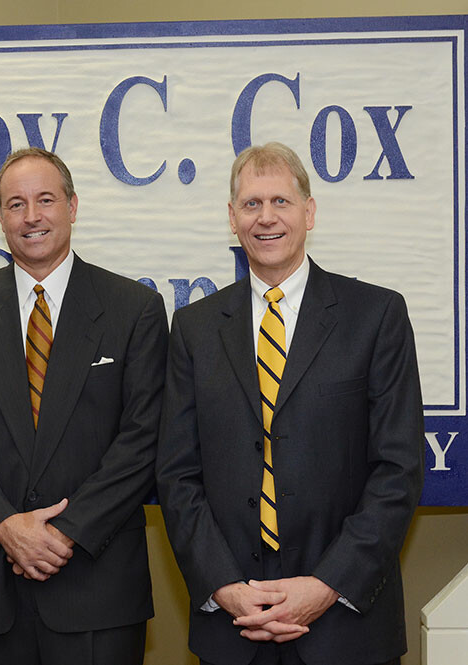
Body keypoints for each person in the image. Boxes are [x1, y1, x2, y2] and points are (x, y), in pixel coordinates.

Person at [156, 142, 424, 665]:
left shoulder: (376, 316)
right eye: (251, 204)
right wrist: (226, 587)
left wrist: (325, 586)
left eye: (281, 201)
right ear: (232, 220)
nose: (266, 218)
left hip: (347, 626)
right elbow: (176, 475)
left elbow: (398, 470)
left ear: (310, 211)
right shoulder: (194, 329)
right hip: (236, 628)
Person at [0, 147, 168, 665]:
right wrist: (7, 526)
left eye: (46, 200)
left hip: (97, 586)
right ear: (0, 217)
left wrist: (64, 531)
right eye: (16, 204)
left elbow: (143, 439)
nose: (31, 216)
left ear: (72, 207)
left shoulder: (134, 309)